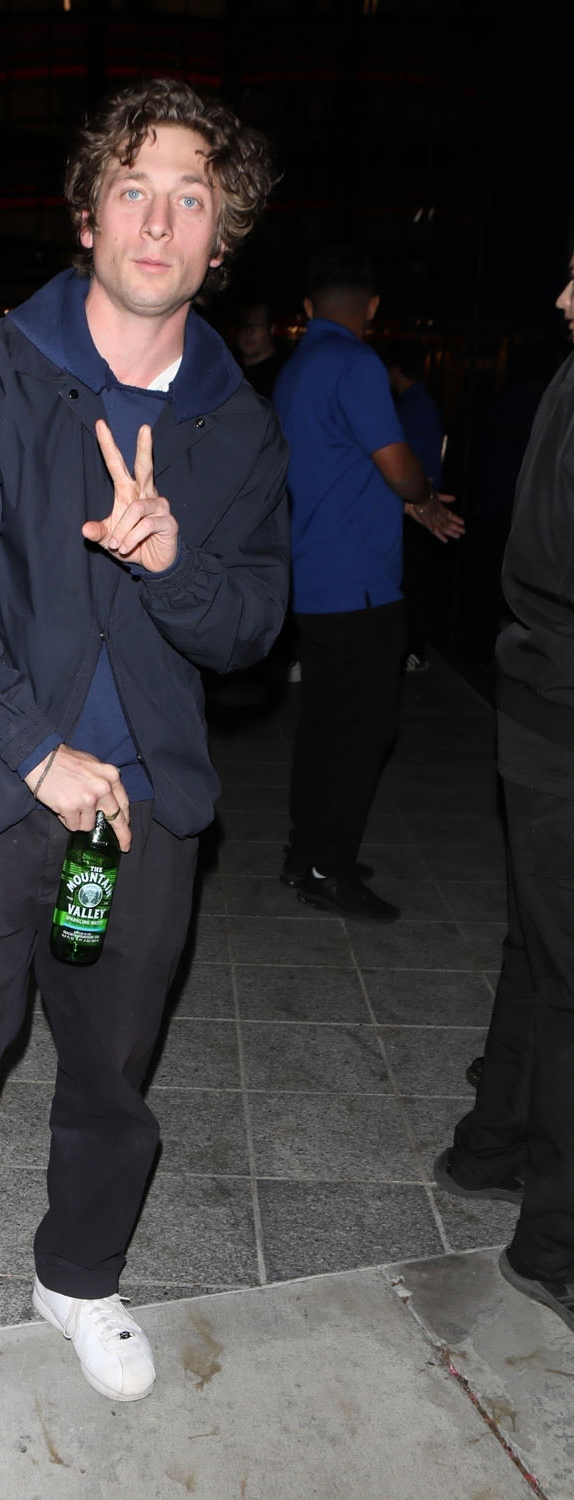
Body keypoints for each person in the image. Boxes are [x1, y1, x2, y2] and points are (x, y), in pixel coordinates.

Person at [0, 77, 290, 1436]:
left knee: (111, 1075)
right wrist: (37, 751)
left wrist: (174, 562)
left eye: (192, 199)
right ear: (88, 215)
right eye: (133, 189)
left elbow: (252, 625)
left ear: (222, 239)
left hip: (139, 818)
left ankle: (79, 1278)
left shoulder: (235, 425)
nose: (159, 221)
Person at [434, 259, 574, 1334]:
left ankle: (488, 1150)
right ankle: (554, 1246)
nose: (561, 300)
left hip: (538, 703)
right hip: (559, 709)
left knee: (540, 954)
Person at [272, 244, 464, 922]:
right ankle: (327, 867)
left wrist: (409, 504)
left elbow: (339, 466)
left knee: (325, 725)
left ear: (308, 306)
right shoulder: (356, 365)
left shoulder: (296, 369)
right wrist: (423, 496)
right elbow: (398, 465)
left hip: (313, 576)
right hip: (360, 585)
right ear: (372, 307)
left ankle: (308, 853)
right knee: (363, 730)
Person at [387, 338, 446, 672]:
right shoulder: (415, 404)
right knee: (410, 579)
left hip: (416, 506)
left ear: (395, 370)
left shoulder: (414, 407)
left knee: (413, 580)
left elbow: (417, 467)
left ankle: (416, 649)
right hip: (414, 503)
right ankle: (412, 646)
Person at [236, 299, 288, 400]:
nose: (249, 331)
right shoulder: (228, 371)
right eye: (243, 324)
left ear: (272, 329)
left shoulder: (284, 375)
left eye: (257, 324)